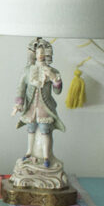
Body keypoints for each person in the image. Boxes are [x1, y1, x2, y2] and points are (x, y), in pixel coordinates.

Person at [11, 38, 64, 168]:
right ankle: (29, 152)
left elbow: (57, 91)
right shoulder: (27, 70)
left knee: (45, 129)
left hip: (44, 107)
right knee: (31, 129)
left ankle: (46, 156)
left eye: (42, 53)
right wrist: (19, 103)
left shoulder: (53, 71)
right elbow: (21, 87)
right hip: (30, 106)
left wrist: (53, 78)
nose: (40, 55)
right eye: (38, 53)